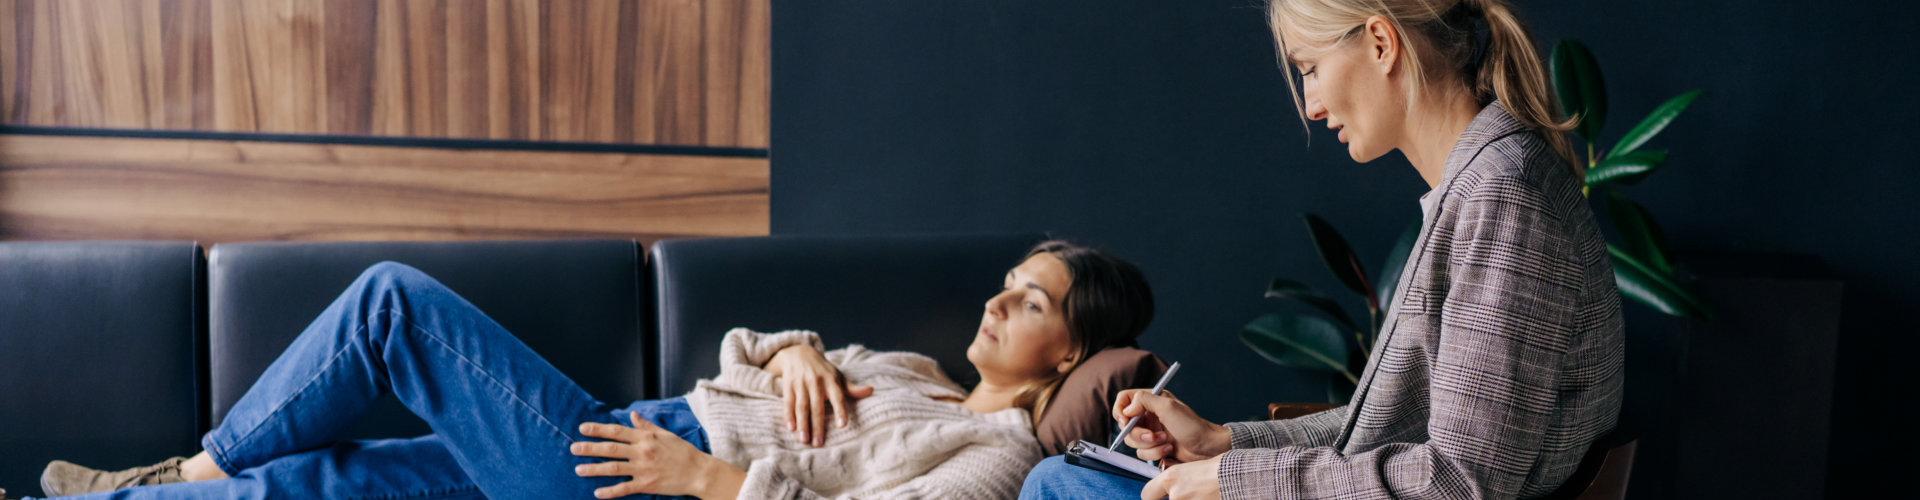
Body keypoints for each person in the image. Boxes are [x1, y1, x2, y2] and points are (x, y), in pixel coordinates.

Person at [1019, 0, 1623, 499]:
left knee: (1057, 482)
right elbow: (1397, 427)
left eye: (1308, 67)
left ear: (1382, 43)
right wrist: (1223, 444)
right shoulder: (1488, 182)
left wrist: (1231, 482)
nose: (1309, 105)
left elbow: (1459, 481)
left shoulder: (1500, 200)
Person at [20, 240, 1154, 500]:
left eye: (1033, 299)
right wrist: (797, 346)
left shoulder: (999, 449)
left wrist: (711, 481)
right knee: (346, 474)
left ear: (1072, 347)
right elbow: (741, 352)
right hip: (638, 428)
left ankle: (196, 463)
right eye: (1008, 280)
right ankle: (138, 495)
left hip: (647, 475)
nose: (1000, 299)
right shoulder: (913, 366)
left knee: (390, 305)